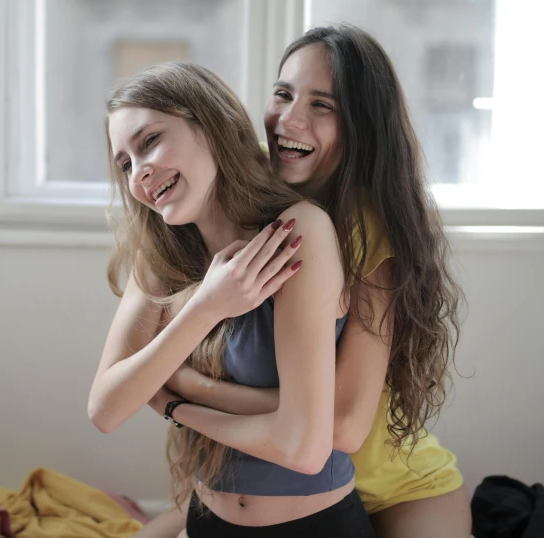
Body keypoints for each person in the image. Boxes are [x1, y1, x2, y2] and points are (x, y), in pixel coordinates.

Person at [137, 25, 470, 538]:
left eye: (323, 105)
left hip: (393, 485)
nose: (288, 119)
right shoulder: (244, 204)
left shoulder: (368, 231)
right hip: (280, 472)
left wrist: (184, 388)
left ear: (361, 127)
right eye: (283, 93)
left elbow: (341, 426)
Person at [89, 62, 376, 537]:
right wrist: (208, 306)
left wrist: (177, 406)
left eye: (149, 141)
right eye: (125, 164)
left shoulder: (297, 230)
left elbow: (303, 448)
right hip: (207, 520)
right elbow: (105, 408)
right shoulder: (162, 251)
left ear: (210, 123)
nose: (139, 173)